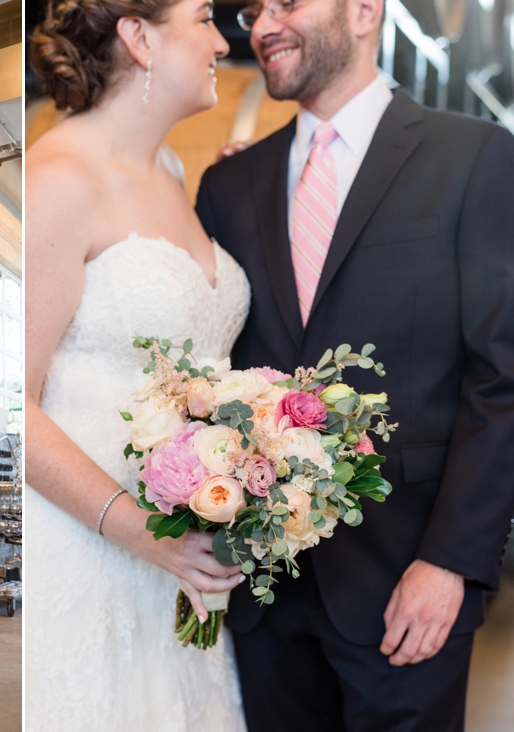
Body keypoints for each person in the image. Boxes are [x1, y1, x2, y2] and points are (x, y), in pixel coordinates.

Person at [195, 1, 514, 730]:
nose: (262, 25)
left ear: (366, 10)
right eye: (253, 10)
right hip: (262, 595)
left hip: (408, 583)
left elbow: (502, 379)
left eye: (287, 4)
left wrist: (452, 564)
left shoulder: (474, 156)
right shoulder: (227, 188)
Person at [26, 1, 248, 729]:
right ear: (139, 36)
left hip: (181, 564)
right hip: (96, 554)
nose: (222, 40)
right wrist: (149, 537)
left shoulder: (171, 169)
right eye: (206, 17)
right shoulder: (58, 178)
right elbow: (10, 407)